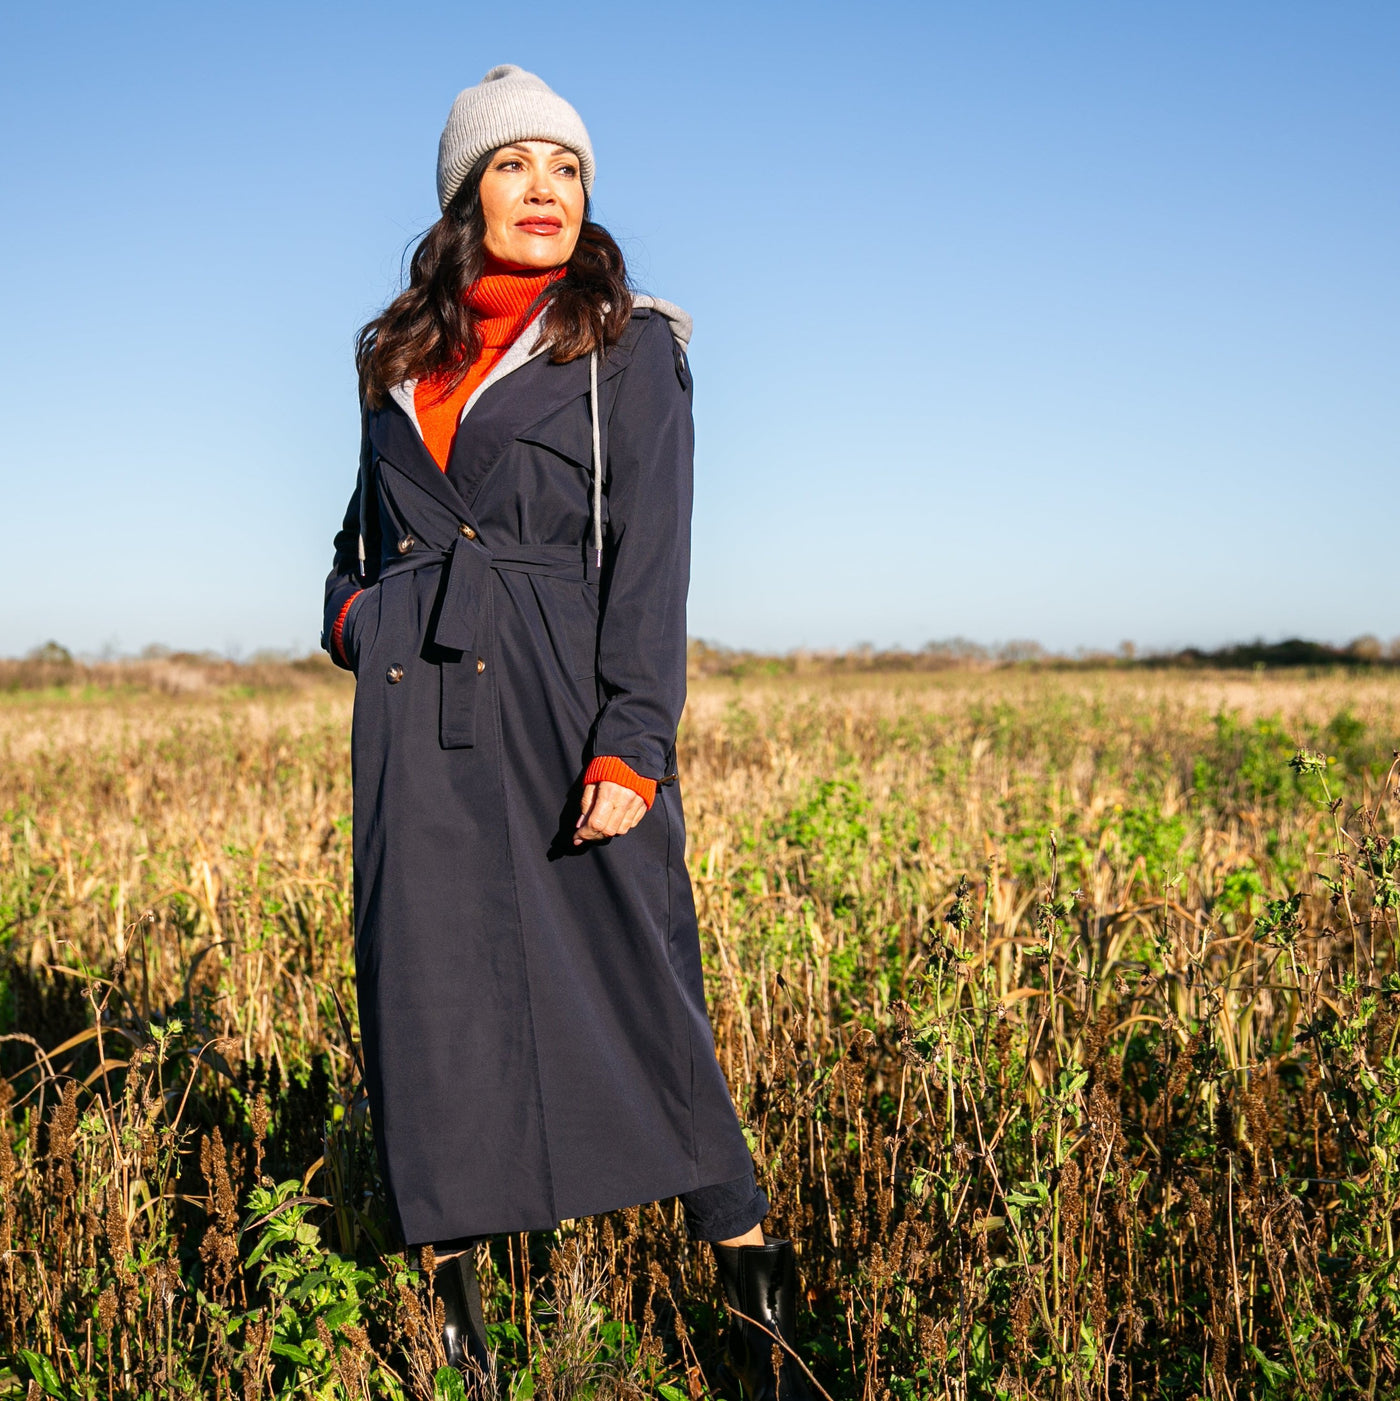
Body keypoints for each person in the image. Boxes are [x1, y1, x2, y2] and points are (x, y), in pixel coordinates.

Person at [321, 65, 814, 1400]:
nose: (546, 190)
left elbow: (654, 566)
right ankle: (474, 1366)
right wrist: (365, 627)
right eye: (514, 165)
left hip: (565, 710)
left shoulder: (629, 349)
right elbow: (350, 554)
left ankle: (768, 1357)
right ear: (463, 193)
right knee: (433, 1025)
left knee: (649, 1003)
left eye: (569, 168)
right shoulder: (393, 358)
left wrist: (633, 742)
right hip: (414, 732)